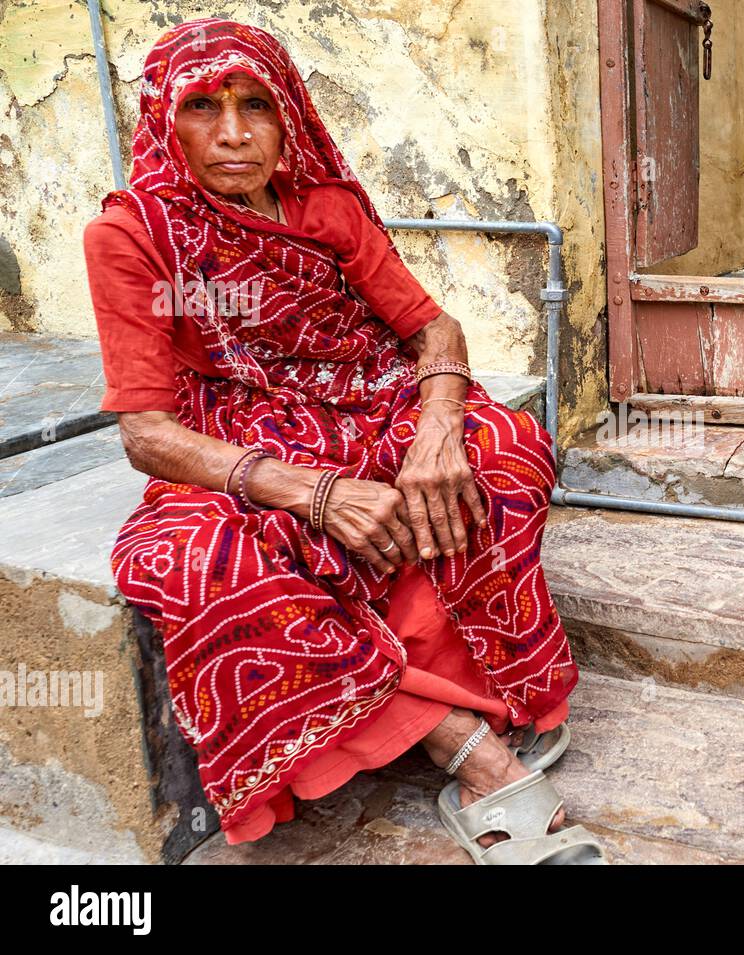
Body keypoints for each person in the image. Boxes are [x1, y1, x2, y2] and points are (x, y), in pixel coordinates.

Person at [83, 17, 602, 863]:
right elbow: (146, 433)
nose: (234, 133)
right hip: (241, 438)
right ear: (164, 120)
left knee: (502, 446)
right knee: (196, 558)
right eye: (203, 107)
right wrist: (315, 491)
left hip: (365, 402)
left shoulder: (327, 211)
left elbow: (435, 327)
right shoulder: (131, 237)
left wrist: (438, 428)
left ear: (289, 116)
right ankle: (465, 745)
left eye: (256, 105)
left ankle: (481, 683)